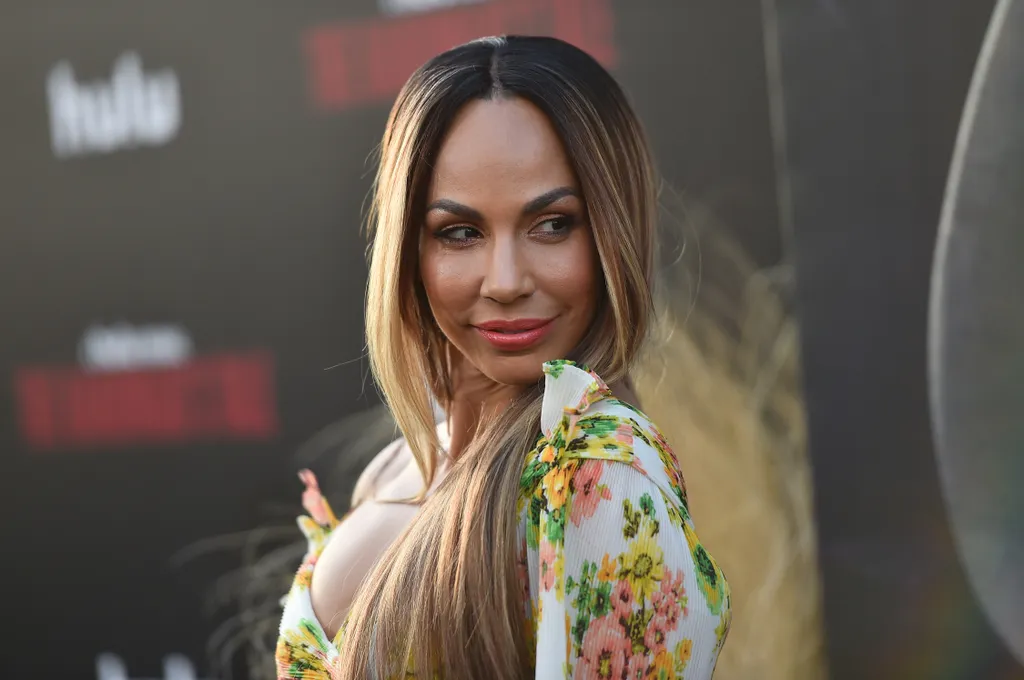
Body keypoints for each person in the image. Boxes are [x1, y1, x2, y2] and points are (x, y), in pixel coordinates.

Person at [275, 35, 732, 680]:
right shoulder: (399, 465)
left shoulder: (594, 486)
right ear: (410, 249)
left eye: (552, 225)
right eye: (460, 233)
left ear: (611, 230)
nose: (507, 279)